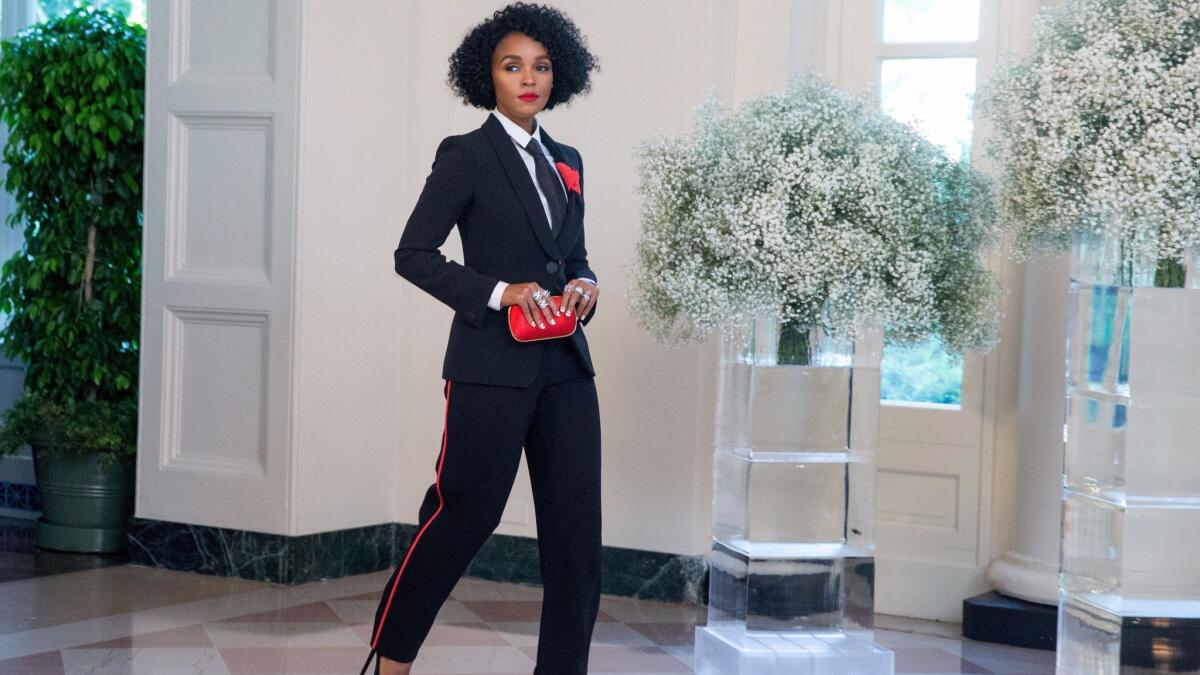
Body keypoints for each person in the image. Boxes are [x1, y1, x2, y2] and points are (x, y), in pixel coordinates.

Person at [359, 4, 603, 674]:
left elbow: (572, 254)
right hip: (490, 366)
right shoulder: (466, 155)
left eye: (542, 66)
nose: (529, 78)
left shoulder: (567, 159)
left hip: (565, 368)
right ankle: (392, 657)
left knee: (578, 540)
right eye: (511, 65)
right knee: (461, 517)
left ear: (561, 74)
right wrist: (501, 292)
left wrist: (586, 282)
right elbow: (413, 253)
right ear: (485, 75)